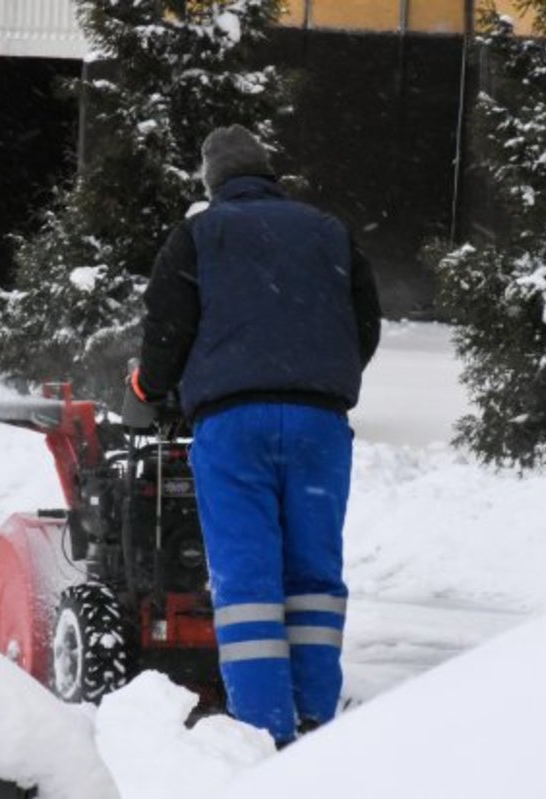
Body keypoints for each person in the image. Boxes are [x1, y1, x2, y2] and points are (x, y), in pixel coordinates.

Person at [129, 124, 381, 746]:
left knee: (247, 583)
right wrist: (319, 376)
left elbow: (166, 330)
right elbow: (365, 325)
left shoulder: (198, 234)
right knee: (315, 579)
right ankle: (316, 720)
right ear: (269, 175)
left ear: (212, 184)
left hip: (234, 425)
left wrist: (150, 388)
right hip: (320, 425)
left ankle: (264, 736)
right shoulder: (330, 232)